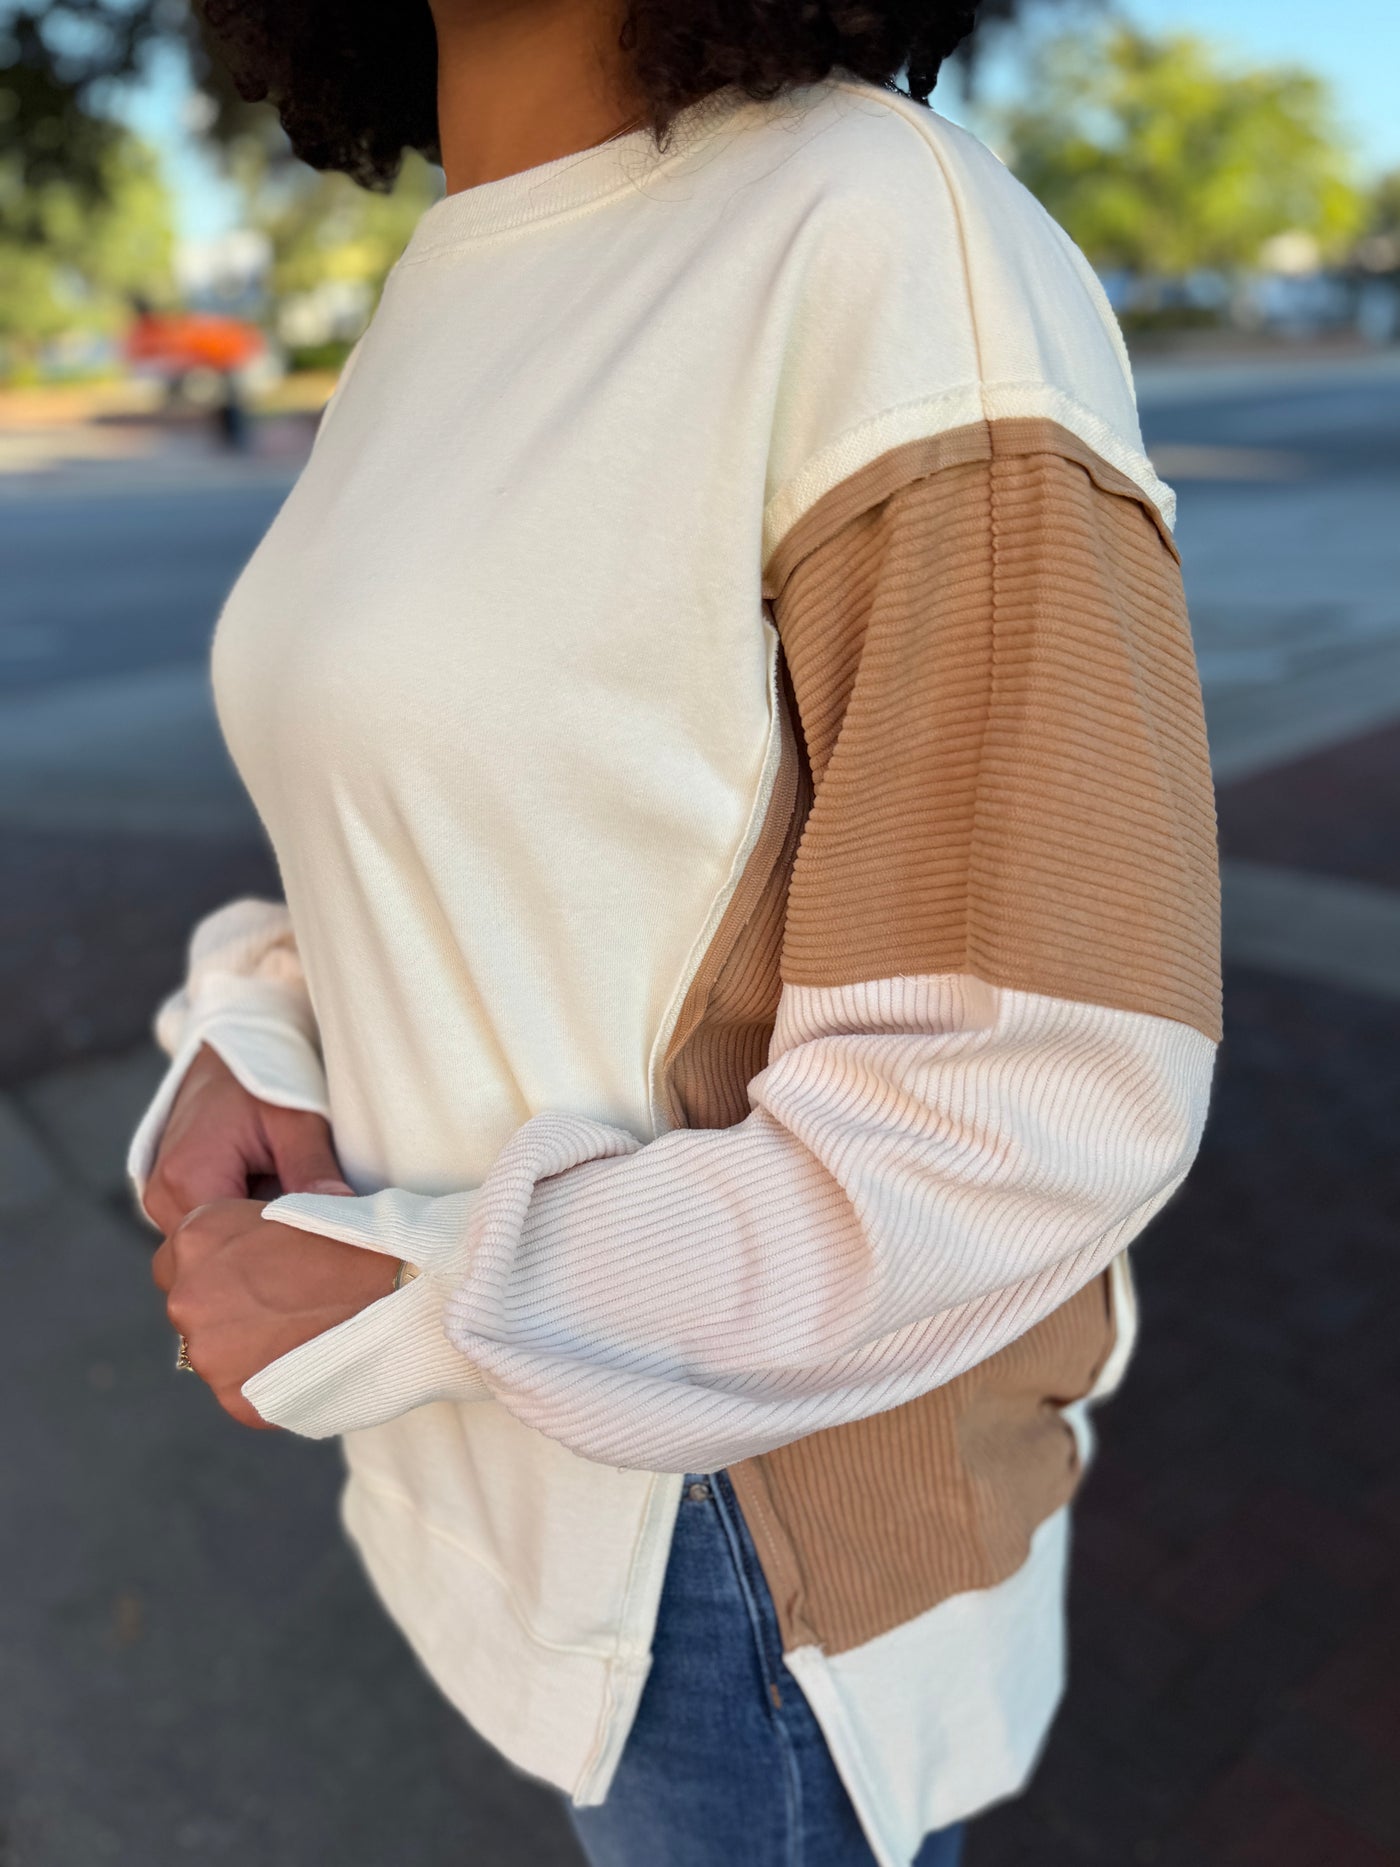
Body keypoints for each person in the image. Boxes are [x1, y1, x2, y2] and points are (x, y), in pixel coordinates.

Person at [129, 3, 1222, 1863]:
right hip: (506, 1488)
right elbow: (474, 829)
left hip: (734, 1545)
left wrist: (419, 1291)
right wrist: (256, 1026)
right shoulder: (456, 271)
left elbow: (1032, 1094)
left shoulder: (872, 231)